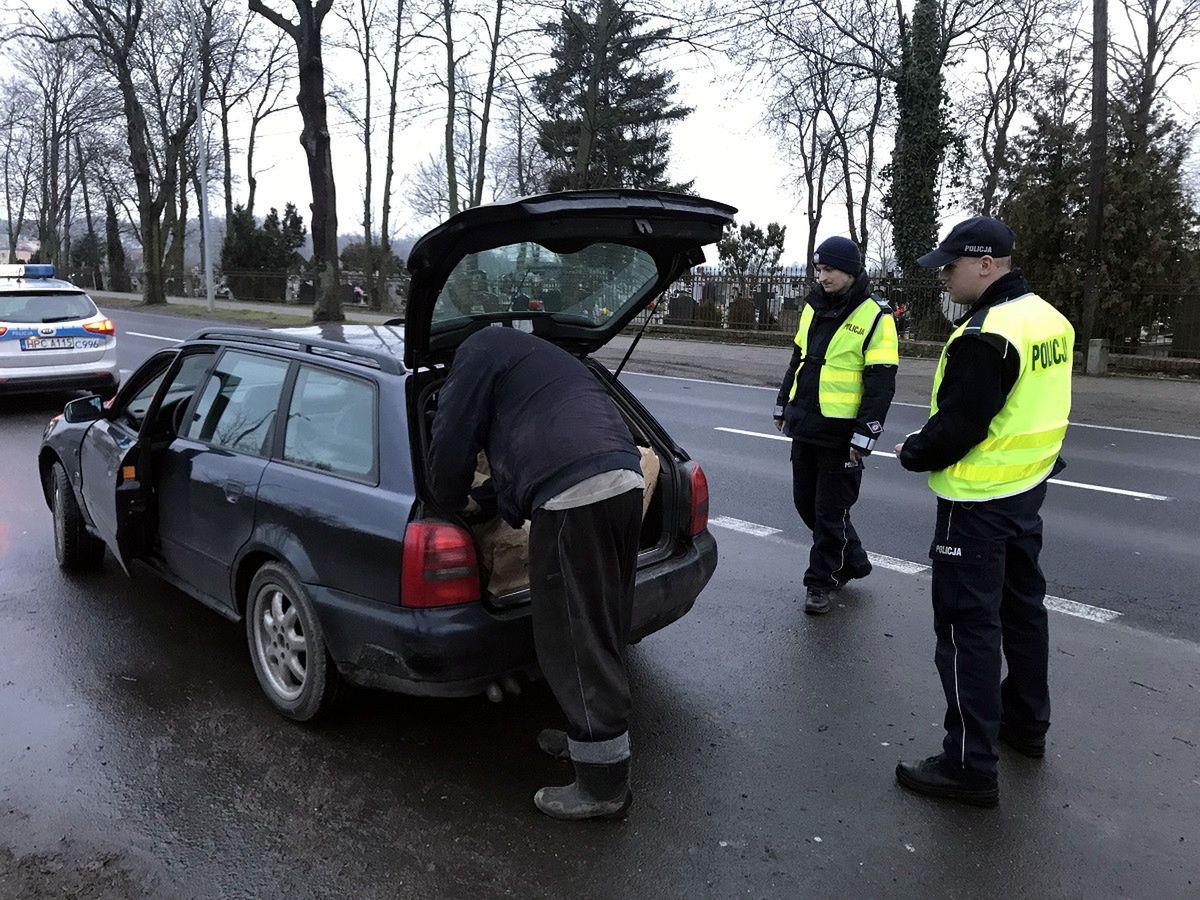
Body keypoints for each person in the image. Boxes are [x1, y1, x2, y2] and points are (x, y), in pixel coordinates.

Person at [426, 326, 644, 821]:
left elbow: (452, 434)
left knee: (573, 637)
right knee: (603, 623)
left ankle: (602, 787)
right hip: (622, 477)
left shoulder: (474, 354)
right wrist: (485, 500)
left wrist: (445, 498)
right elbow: (523, 456)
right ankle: (587, 740)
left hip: (573, 496)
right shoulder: (531, 358)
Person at [893, 216, 1074, 808]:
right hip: (1027, 491)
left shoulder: (985, 333)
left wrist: (912, 452)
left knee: (967, 628)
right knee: (1023, 611)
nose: (944, 276)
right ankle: (1027, 725)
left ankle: (969, 764)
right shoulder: (1049, 320)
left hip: (975, 502)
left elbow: (958, 427)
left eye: (950, 265)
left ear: (986, 264)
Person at [774, 236, 899, 615]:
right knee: (805, 504)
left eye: (829, 269)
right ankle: (854, 561)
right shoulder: (813, 306)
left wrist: (865, 435)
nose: (821, 276)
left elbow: (881, 383)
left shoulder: (876, 316)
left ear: (850, 271)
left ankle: (821, 582)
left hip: (842, 434)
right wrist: (783, 404)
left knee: (830, 512)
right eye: (818, 269)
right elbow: (799, 359)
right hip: (807, 423)